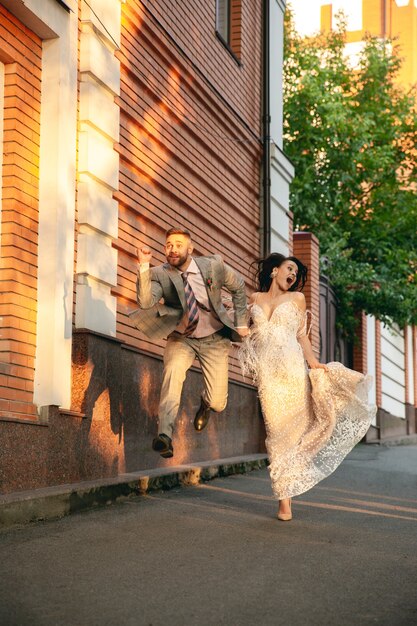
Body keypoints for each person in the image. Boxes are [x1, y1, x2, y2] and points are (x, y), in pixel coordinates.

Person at [239, 253, 375, 521]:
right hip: (268, 375)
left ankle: (285, 499)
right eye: (289, 269)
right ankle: (283, 489)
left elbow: (301, 335)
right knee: (276, 433)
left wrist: (313, 362)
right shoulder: (254, 299)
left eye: (296, 273)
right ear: (274, 271)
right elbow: (244, 330)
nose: (293, 275)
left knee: (297, 430)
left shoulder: (297, 299)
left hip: (292, 371)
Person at [129, 227, 249, 459]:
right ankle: (164, 435)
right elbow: (145, 303)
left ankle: (205, 404)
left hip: (214, 338)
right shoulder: (159, 273)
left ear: (190, 248)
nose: (172, 249)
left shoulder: (213, 265)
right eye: (168, 245)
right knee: (172, 373)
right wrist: (143, 266)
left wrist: (241, 322)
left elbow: (239, 287)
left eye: (178, 245)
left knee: (218, 402)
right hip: (182, 337)